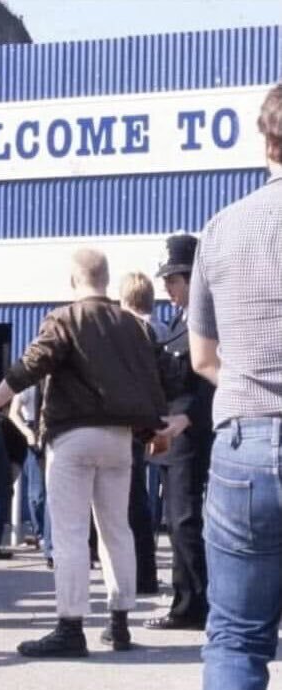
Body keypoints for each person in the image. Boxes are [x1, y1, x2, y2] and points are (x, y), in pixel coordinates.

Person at [0, 248, 172, 657]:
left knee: (70, 533)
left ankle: (70, 627)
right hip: (121, 439)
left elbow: (29, 367)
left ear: (73, 280)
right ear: (106, 279)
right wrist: (160, 426)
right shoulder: (134, 325)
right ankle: (119, 624)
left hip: (73, 437)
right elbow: (158, 377)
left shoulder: (64, 318)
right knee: (117, 530)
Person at [189, 82, 282, 690]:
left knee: (236, 639)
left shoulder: (220, 228)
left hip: (245, 443)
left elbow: (202, 358)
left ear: (266, 140)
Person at [144, 235, 215, 631]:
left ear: (192, 278)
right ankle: (186, 600)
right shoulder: (176, 322)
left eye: (173, 279)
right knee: (176, 520)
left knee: (185, 520)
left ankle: (193, 605)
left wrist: (188, 417)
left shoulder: (208, 321)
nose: (167, 287)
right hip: (171, 434)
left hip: (191, 434)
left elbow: (211, 378)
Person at [119, 271, 164, 594]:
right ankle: (146, 573)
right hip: (162, 421)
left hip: (135, 425)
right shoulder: (163, 328)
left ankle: (140, 575)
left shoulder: (132, 331)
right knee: (146, 500)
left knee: (131, 502)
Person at [9, 384, 54, 567]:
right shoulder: (29, 385)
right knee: (37, 494)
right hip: (32, 430)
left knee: (52, 491)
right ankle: (41, 533)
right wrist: (27, 433)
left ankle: (50, 541)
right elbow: (14, 412)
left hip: (53, 429)